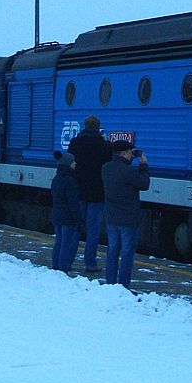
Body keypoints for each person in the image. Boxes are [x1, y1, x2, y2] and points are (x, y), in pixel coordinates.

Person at [101, 141, 150, 287]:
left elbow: (120, 176)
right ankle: (123, 285)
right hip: (128, 219)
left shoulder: (105, 168)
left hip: (111, 217)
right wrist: (143, 165)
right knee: (127, 254)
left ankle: (110, 282)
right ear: (123, 153)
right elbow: (144, 184)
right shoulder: (129, 171)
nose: (131, 154)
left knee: (112, 251)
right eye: (130, 152)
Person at [67, 116, 111, 271]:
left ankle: (67, 261)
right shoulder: (104, 146)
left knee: (75, 228)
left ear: (84, 126)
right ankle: (90, 263)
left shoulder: (75, 143)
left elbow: (69, 165)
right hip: (97, 194)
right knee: (93, 230)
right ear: (98, 128)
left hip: (78, 192)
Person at [50, 152, 82, 273]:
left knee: (58, 240)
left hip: (57, 214)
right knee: (66, 243)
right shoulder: (70, 181)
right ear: (68, 164)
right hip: (68, 216)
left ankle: (55, 265)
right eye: (73, 161)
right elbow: (73, 202)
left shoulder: (56, 179)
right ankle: (63, 268)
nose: (75, 163)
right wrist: (78, 218)